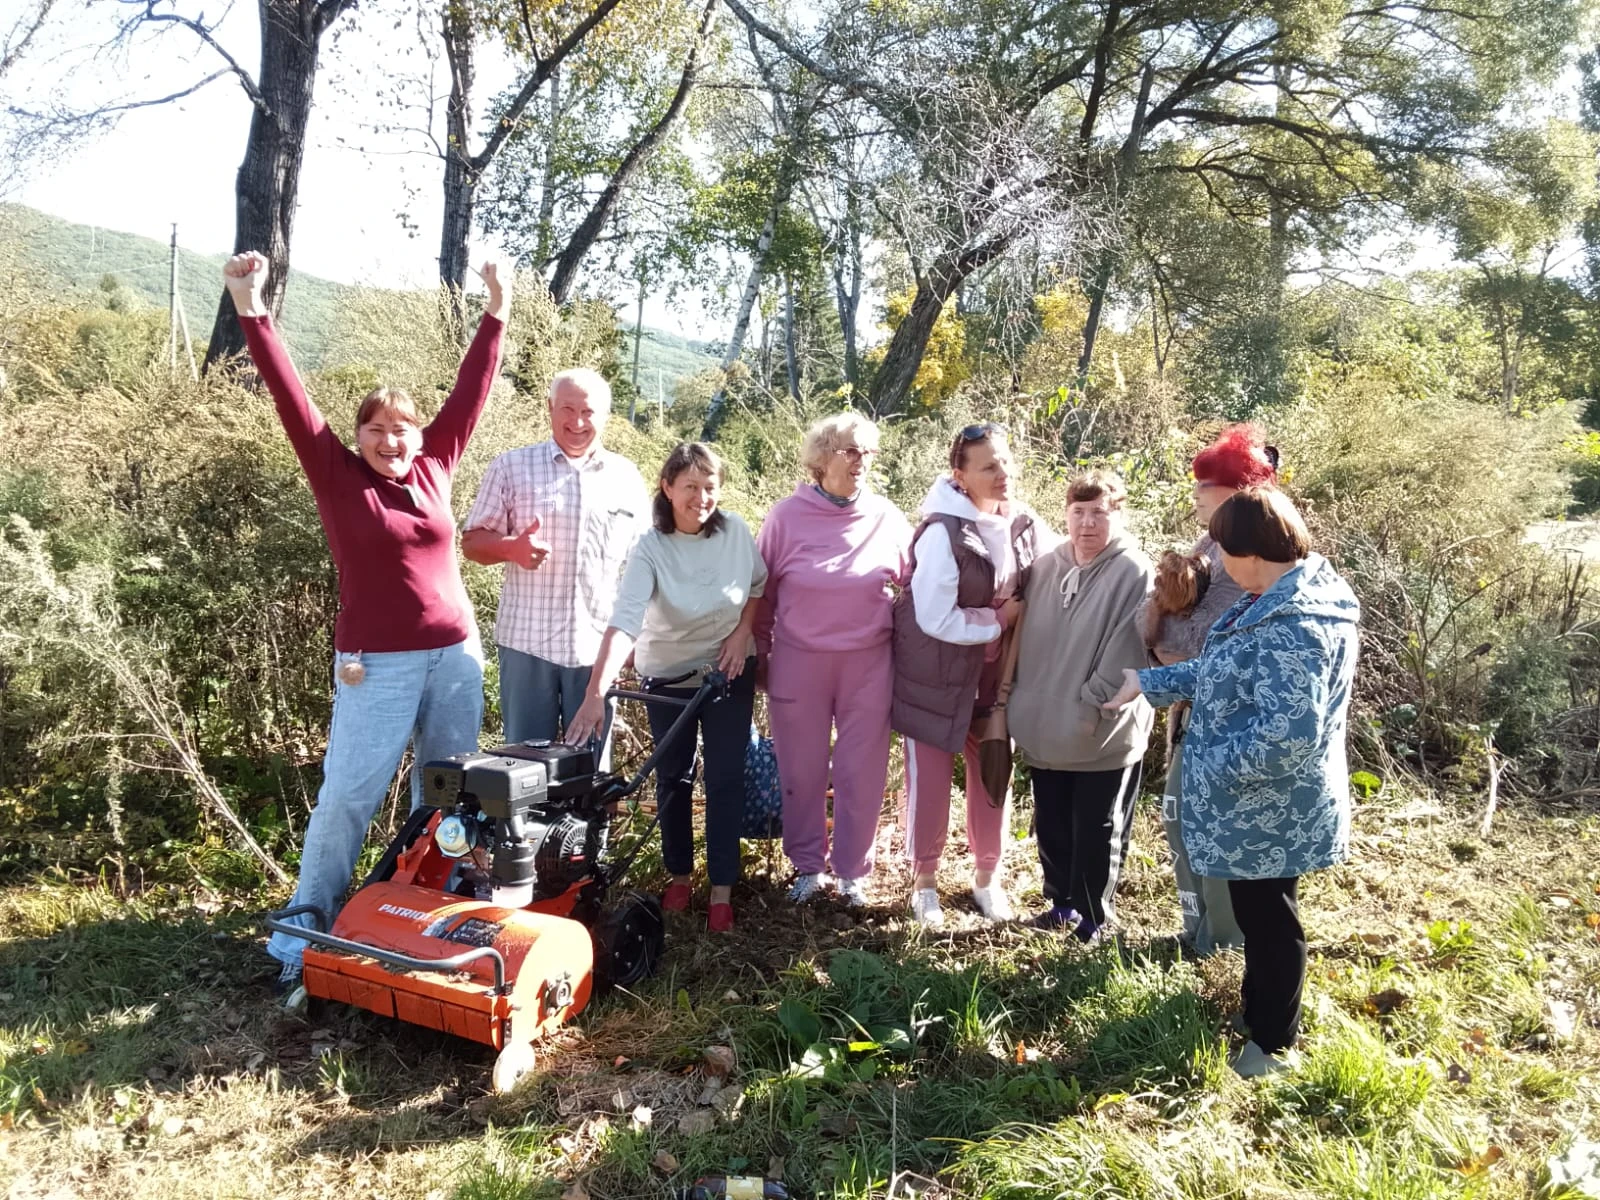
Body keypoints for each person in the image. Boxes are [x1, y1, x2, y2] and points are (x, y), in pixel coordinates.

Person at [225, 251, 511, 1005]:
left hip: (455, 659)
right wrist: (251, 306)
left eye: (402, 429)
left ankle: (423, 921)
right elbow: (289, 394)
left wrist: (498, 309)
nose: (392, 441)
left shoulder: (436, 464)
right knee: (349, 796)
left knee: (446, 798)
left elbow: (471, 392)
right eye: (377, 429)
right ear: (357, 436)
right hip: (375, 665)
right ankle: (301, 936)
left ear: (419, 436)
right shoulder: (335, 473)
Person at [1103, 487, 1360, 1077]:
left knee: (1271, 922)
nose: (1217, 561)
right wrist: (1149, 682)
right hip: (1258, 805)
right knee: (1259, 913)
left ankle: (1272, 1045)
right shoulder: (1273, 600)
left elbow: (1287, 737)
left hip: (1273, 805)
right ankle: (1258, 1014)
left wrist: (1209, 766)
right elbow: (1227, 668)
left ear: (1252, 553)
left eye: (1223, 551)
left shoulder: (1298, 626)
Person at [566, 443, 766, 933]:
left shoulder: (736, 532)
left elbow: (757, 587)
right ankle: (679, 874)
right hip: (668, 677)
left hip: (728, 670)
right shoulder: (651, 547)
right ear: (668, 488)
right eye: (690, 486)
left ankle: (722, 890)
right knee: (673, 776)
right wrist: (595, 693)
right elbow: (624, 622)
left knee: (725, 778)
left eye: (710, 487)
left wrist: (742, 633)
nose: (702, 497)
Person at [754, 413, 913, 906]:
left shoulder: (887, 516)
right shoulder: (785, 517)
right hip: (798, 661)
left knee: (860, 770)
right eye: (850, 451)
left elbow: (915, 585)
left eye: (868, 452)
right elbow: (762, 593)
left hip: (869, 663)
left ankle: (851, 873)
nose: (861, 461)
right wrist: (759, 653)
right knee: (801, 770)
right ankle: (807, 867)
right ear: (822, 458)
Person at [891, 423, 1045, 929]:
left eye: (1005, 461)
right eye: (988, 467)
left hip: (996, 679)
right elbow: (935, 617)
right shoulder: (943, 531)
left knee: (993, 776)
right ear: (960, 476)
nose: (1003, 473)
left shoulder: (1023, 523)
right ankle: (924, 884)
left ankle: (986, 879)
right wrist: (999, 620)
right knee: (931, 784)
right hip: (936, 677)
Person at [1137, 424, 1278, 955]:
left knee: (1215, 830)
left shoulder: (1248, 555)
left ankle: (1222, 944)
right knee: (1182, 821)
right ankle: (1195, 930)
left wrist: (1163, 636)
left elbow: (1209, 645)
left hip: (1225, 722)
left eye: (1205, 485)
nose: (1195, 494)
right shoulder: (1210, 544)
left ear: (1237, 493)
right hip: (1192, 715)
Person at [461, 369, 649, 746]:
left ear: (605, 415)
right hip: (526, 646)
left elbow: (644, 567)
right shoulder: (511, 467)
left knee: (591, 768)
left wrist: (635, 640)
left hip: (597, 651)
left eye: (588, 412)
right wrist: (510, 548)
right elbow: (471, 543)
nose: (577, 422)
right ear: (550, 408)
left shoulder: (626, 477)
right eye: (567, 409)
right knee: (524, 767)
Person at [1008, 470, 1154, 942]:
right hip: (1044, 725)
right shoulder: (1045, 566)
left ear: (1118, 515)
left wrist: (1092, 707)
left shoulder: (1134, 571)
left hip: (1101, 729)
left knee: (1097, 826)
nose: (1087, 523)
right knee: (1051, 822)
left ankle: (1095, 918)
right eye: (1078, 512)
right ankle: (1061, 905)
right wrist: (1017, 702)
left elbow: (1128, 650)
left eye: (1099, 513)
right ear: (1066, 515)